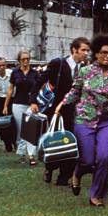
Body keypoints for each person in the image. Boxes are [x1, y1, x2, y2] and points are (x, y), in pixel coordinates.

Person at [54, 36, 108, 207]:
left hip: (107, 121)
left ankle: (96, 195)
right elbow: (75, 91)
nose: (107, 56)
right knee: (88, 160)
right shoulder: (85, 72)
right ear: (96, 53)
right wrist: (61, 104)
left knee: (105, 157)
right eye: (103, 52)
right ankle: (77, 173)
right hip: (84, 118)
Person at [30, 37, 91, 185]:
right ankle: (50, 167)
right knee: (56, 141)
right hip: (56, 110)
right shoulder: (58, 63)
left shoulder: (85, 68)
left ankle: (64, 177)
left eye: (87, 51)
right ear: (74, 50)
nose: (86, 53)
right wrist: (32, 100)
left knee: (73, 142)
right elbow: (40, 80)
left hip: (75, 111)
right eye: (83, 50)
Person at [4, 50, 40, 166]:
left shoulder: (35, 73)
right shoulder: (15, 73)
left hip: (31, 104)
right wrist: (5, 105)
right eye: (23, 59)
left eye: (28, 59)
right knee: (20, 130)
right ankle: (22, 155)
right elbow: (10, 90)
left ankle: (31, 155)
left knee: (30, 130)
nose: (26, 61)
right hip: (18, 104)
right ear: (19, 60)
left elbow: (39, 88)